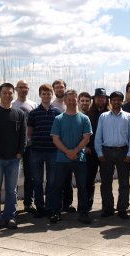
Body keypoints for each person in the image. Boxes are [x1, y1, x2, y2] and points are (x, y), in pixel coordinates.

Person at [48, 90, 93, 224]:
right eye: (69, 99)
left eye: (74, 99)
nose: (72, 101)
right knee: (58, 186)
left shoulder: (84, 118)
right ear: (65, 101)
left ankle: (83, 213)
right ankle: (56, 212)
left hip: (80, 159)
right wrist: (68, 151)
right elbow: (55, 139)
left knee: (83, 187)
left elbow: (86, 138)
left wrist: (75, 151)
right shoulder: (59, 119)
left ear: (77, 100)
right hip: (62, 159)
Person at [0, 83, 27, 230]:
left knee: (12, 190)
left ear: (13, 94)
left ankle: (10, 216)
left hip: (14, 159)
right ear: (0, 94)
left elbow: (23, 135)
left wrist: (20, 152)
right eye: (4, 93)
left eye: (10, 93)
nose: (7, 95)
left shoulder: (20, 113)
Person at [95, 91, 130, 219]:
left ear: (122, 101)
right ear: (110, 101)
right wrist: (99, 152)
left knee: (124, 182)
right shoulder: (103, 116)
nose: (116, 102)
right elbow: (98, 136)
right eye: (113, 100)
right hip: (106, 152)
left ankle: (122, 208)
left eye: (119, 100)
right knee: (106, 182)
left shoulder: (129, 117)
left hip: (123, 152)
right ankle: (108, 208)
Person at [28, 84, 61, 218]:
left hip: (53, 152)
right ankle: (40, 207)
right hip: (36, 151)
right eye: (44, 94)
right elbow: (29, 133)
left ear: (52, 95)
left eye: (48, 94)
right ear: (40, 95)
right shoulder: (33, 113)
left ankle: (50, 207)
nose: (46, 96)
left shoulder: (58, 113)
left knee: (52, 181)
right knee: (37, 181)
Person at [51, 79, 76, 213]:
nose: (60, 89)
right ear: (54, 90)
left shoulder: (70, 103)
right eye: (57, 88)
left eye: (62, 87)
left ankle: (68, 203)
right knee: (59, 179)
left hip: (71, 147)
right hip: (58, 147)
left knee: (68, 179)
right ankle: (58, 205)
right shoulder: (51, 105)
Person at [13, 80, 38, 213]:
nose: (23, 89)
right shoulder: (12, 104)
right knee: (14, 176)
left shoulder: (33, 104)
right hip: (14, 146)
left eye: (26, 87)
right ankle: (13, 204)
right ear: (16, 89)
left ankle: (28, 203)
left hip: (30, 146)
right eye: (21, 87)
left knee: (30, 175)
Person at [85, 88, 110, 209]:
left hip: (106, 151)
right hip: (91, 151)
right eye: (98, 97)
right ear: (94, 99)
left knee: (106, 180)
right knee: (89, 179)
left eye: (103, 97)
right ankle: (87, 204)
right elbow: (83, 133)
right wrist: (86, 146)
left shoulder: (111, 114)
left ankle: (107, 205)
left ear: (106, 99)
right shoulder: (88, 115)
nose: (100, 99)